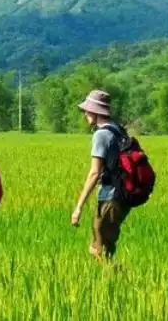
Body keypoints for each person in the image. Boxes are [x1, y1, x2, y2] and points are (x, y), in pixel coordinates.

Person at [70, 90, 130, 261]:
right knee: (99, 248)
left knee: (100, 251)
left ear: (96, 112)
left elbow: (95, 172)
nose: (85, 115)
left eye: (87, 111)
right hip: (122, 195)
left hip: (110, 196)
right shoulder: (118, 129)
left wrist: (79, 207)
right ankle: (117, 281)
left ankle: (124, 282)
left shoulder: (101, 135)